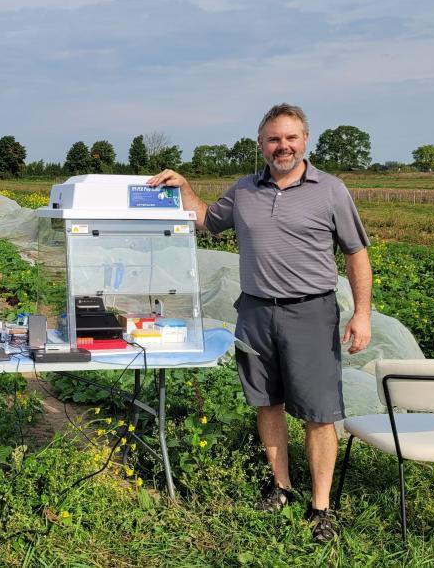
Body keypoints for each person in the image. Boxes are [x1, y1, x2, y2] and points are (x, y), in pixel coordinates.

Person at [148, 103, 373, 542]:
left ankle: (321, 507)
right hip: (254, 310)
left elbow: (355, 253)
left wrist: (362, 313)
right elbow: (208, 221)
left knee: (318, 412)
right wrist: (185, 187)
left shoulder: (330, 190)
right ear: (261, 144)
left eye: (290, 138)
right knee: (266, 402)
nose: (282, 146)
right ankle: (281, 487)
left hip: (310, 310)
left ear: (305, 140)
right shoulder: (245, 190)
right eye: (273, 139)